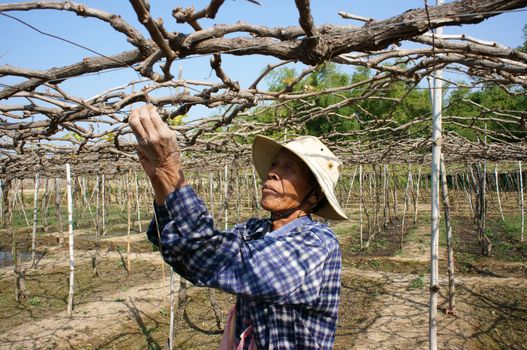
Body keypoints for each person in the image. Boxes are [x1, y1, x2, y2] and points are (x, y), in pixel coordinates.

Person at [129, 104, 348, 350]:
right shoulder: (255, 230)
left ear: (314, 195)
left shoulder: (316, 242)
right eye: (274, 165)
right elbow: (189, 251)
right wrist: (160, 179)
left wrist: (170, 168)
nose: (273, 173)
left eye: (289, 168)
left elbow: (222, 260)